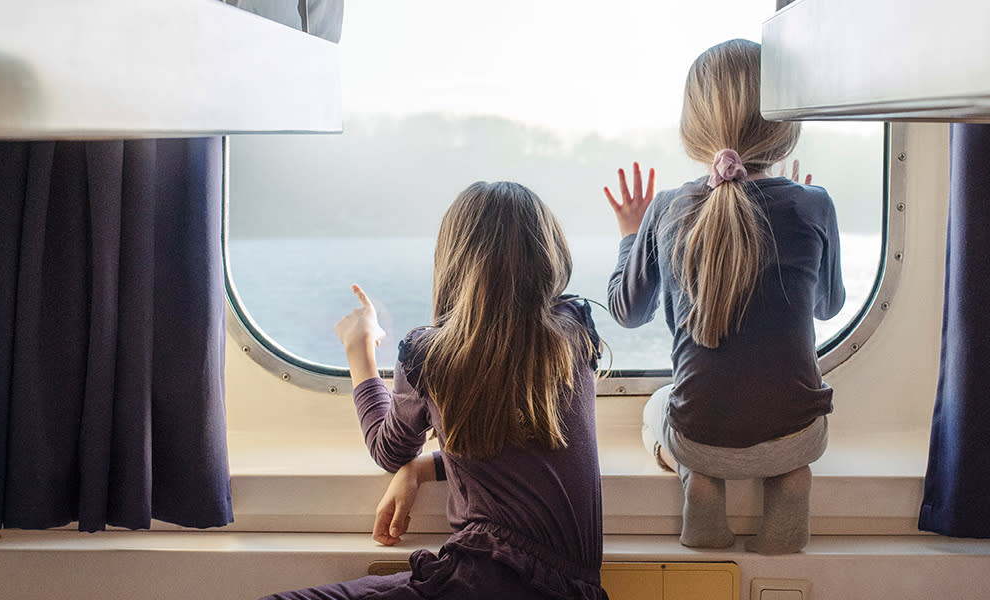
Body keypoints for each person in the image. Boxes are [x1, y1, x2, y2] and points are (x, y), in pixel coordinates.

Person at [261, 181, 607, 599]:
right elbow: (521, 451)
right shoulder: (574, 334)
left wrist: (360, 351)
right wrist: (426, 467)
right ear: (551, 255)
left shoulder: (432, 355)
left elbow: (389, 449)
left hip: (483, 579)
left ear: (453, 262)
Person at [604, 38, 845, 555]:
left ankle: (701, 485)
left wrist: (631, 233)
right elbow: (828, 306)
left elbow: (627, 312)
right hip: (799, 436)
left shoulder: (666, 209)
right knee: (787, 433)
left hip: (701, 439)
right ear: (784, 124)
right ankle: (790, 484)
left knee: (656, 407)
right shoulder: (814, 206)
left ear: (695, 127)